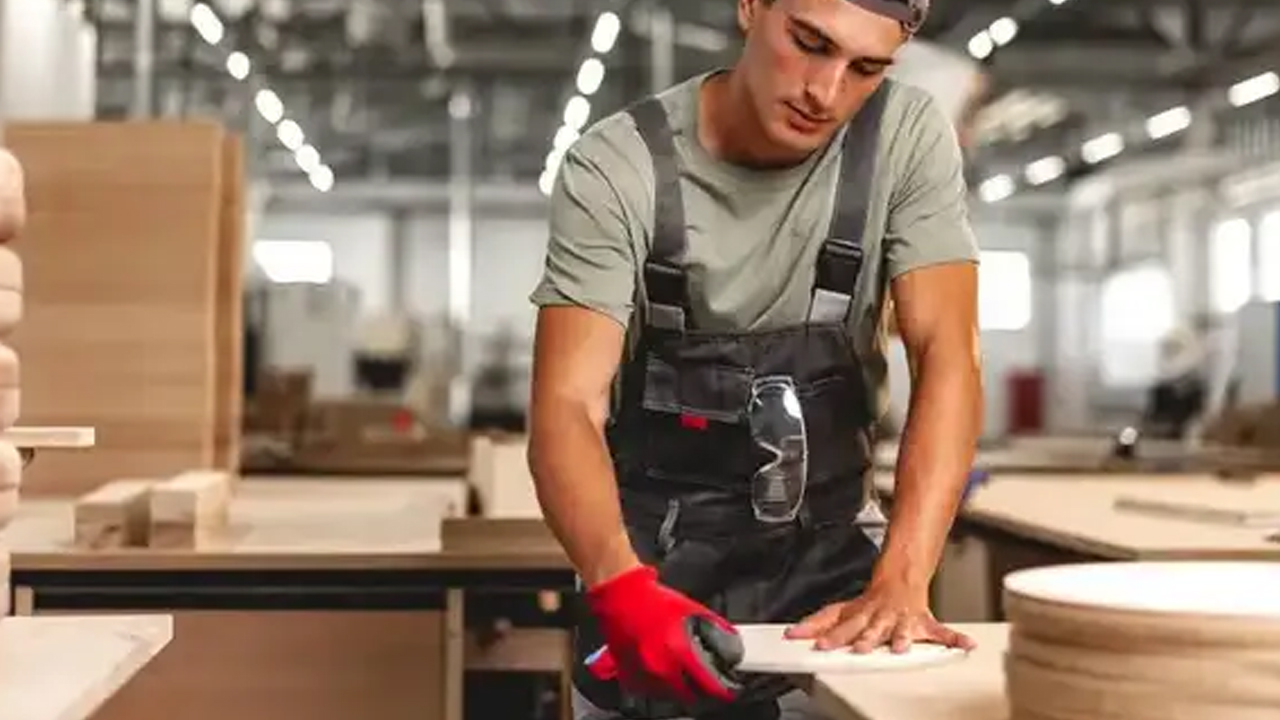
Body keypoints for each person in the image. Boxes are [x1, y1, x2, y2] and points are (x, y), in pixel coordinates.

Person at [527, 1, 983, 718]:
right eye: (809, 43)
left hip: (833, 565)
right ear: (750, 6)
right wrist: (616, 583)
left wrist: (903, 578)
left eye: (865, 68)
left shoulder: (905, 135)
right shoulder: (618, 166)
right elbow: (566, 404)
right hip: (652, 566)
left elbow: (947, 354)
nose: (825, 93)